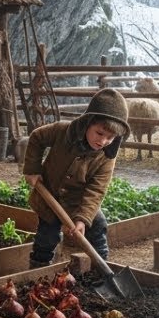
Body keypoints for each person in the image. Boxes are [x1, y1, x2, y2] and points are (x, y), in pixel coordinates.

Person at [21, 88, 130, 267]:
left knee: (98, 226)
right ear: (88, 122)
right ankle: (38, 270)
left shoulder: (106, 157)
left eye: (110, 137)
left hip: (78, 201)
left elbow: (96, 189)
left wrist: (82, 219)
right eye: (100, 133)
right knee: (47, 237)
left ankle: (101, 269)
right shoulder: (63, 132)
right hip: (50, 198)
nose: (103, 142)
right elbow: (36, 137)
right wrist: (33, 169)